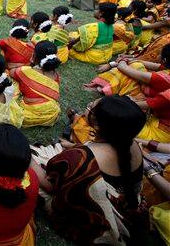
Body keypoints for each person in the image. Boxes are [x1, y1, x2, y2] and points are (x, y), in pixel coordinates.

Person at [32, 96, 146, 245]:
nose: (88, 106)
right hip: (126, 208)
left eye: (91, 107)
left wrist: (29, 162)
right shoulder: (132, 145)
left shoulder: (81, 158)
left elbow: (51, 186)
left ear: (97, 125)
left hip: (91, 219)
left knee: (31, 164)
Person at [12, 41, 61, 127]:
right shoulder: (56, 76)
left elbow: (12, 73)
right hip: (50, 115)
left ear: (34, 56)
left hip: (27, 115)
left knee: (15, 82)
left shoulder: (25, 71)